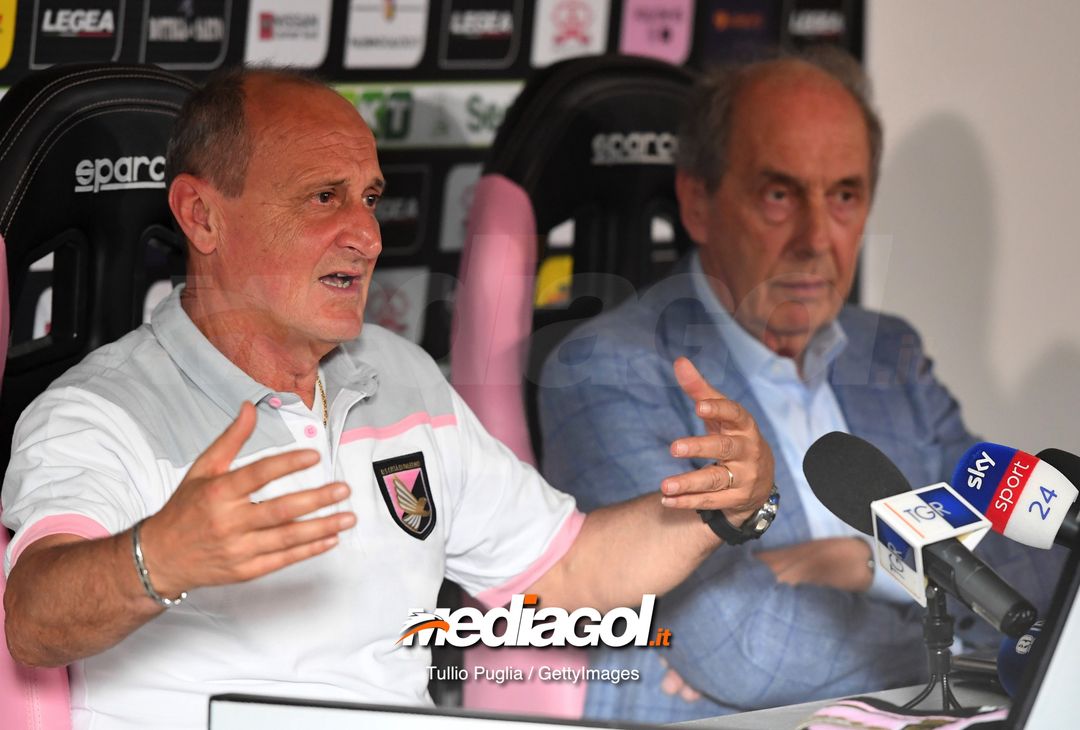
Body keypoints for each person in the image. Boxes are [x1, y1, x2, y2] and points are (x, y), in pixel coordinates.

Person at [1, 68, 776, 730]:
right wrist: (160, 556)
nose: (366, 235)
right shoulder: (99, 411)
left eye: (368, 198)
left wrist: (718, 509)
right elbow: (33, 621)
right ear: (203, 216)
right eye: (322, 197)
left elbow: (566, 571)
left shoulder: (400, 376)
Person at [538, 48, 1066, 723]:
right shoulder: (608, 366)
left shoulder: (891, 355)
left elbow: (1034, 576)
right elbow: (738, 642)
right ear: (698, 204)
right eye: (779, 195)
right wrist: (984, 639)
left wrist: (863, 562)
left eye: (844, 195)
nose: (817, 238)